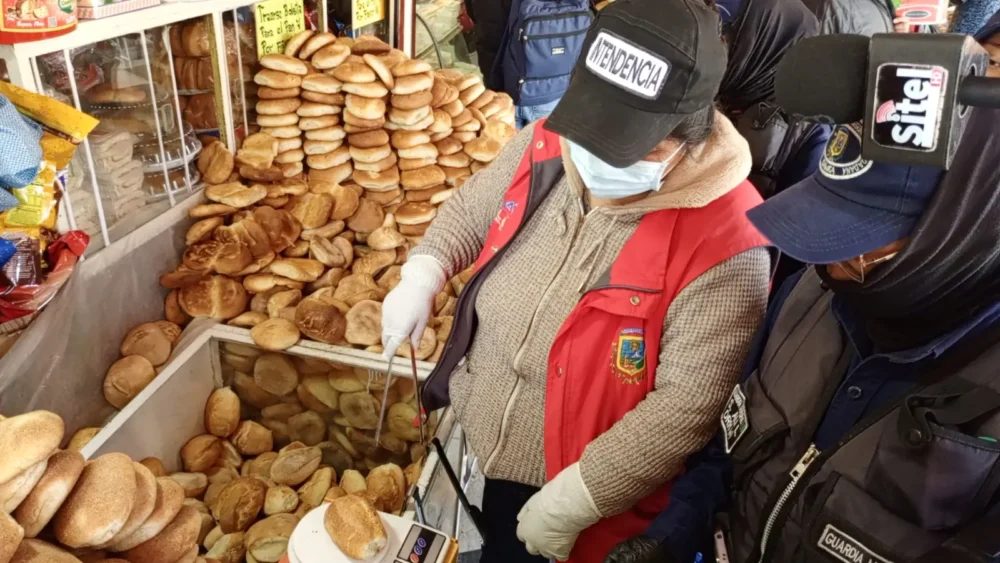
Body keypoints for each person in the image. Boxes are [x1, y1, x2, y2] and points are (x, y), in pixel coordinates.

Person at [380, 1, 772, 562]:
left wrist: (579, 498)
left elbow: (687, 404)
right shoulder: (546, 144)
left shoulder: (729, 241)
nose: (594, 155)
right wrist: (424, 271)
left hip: (590, 501)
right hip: (491, 461)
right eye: (590, 127)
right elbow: (473, 208)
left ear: (686, 134)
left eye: (628, 142)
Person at [611, 108, 1000, 563]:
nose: (828, 267)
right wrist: (672, 535)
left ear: (955, 240)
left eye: (855, 248)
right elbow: (728, 446)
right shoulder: (808, 294)